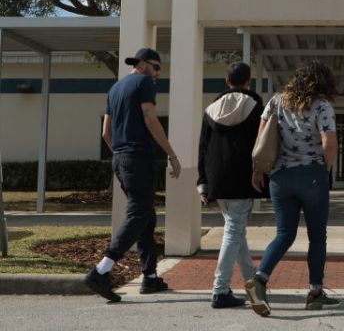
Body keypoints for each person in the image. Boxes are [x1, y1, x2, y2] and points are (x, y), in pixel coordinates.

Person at [84, 48, 181, 302]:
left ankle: (150, 277)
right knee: (139, 214)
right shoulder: (144, 82)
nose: (158, 73)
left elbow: (106, 131)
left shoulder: (115, 88)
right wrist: (171, 154)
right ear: (143, 64)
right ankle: (101, 270)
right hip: (138, 158)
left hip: (120, 158)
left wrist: (119, 153)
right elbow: (150, 118)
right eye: (157, 67)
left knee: (146, 217)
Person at [245, 60, 340, 316]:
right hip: (311, 175)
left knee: (284, 234)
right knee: (317, 237)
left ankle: (260, 279)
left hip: (280, 177)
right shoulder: (321, 105)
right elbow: (329, 141)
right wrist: (326, 167)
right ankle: (315, 292)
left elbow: (261, 139)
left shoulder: (276, 101)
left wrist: (257, 170)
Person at [196, 61, 264, 309]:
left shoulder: (210, 109)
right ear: (248, 82)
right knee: (234, 231)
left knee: (236, 232)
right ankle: (220, 289)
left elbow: (202, 147)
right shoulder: (256, 106)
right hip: (242, 177)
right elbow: (263, 143)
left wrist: (202, 182)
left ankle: (252, 281)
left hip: (216, 178)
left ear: (227, 81)